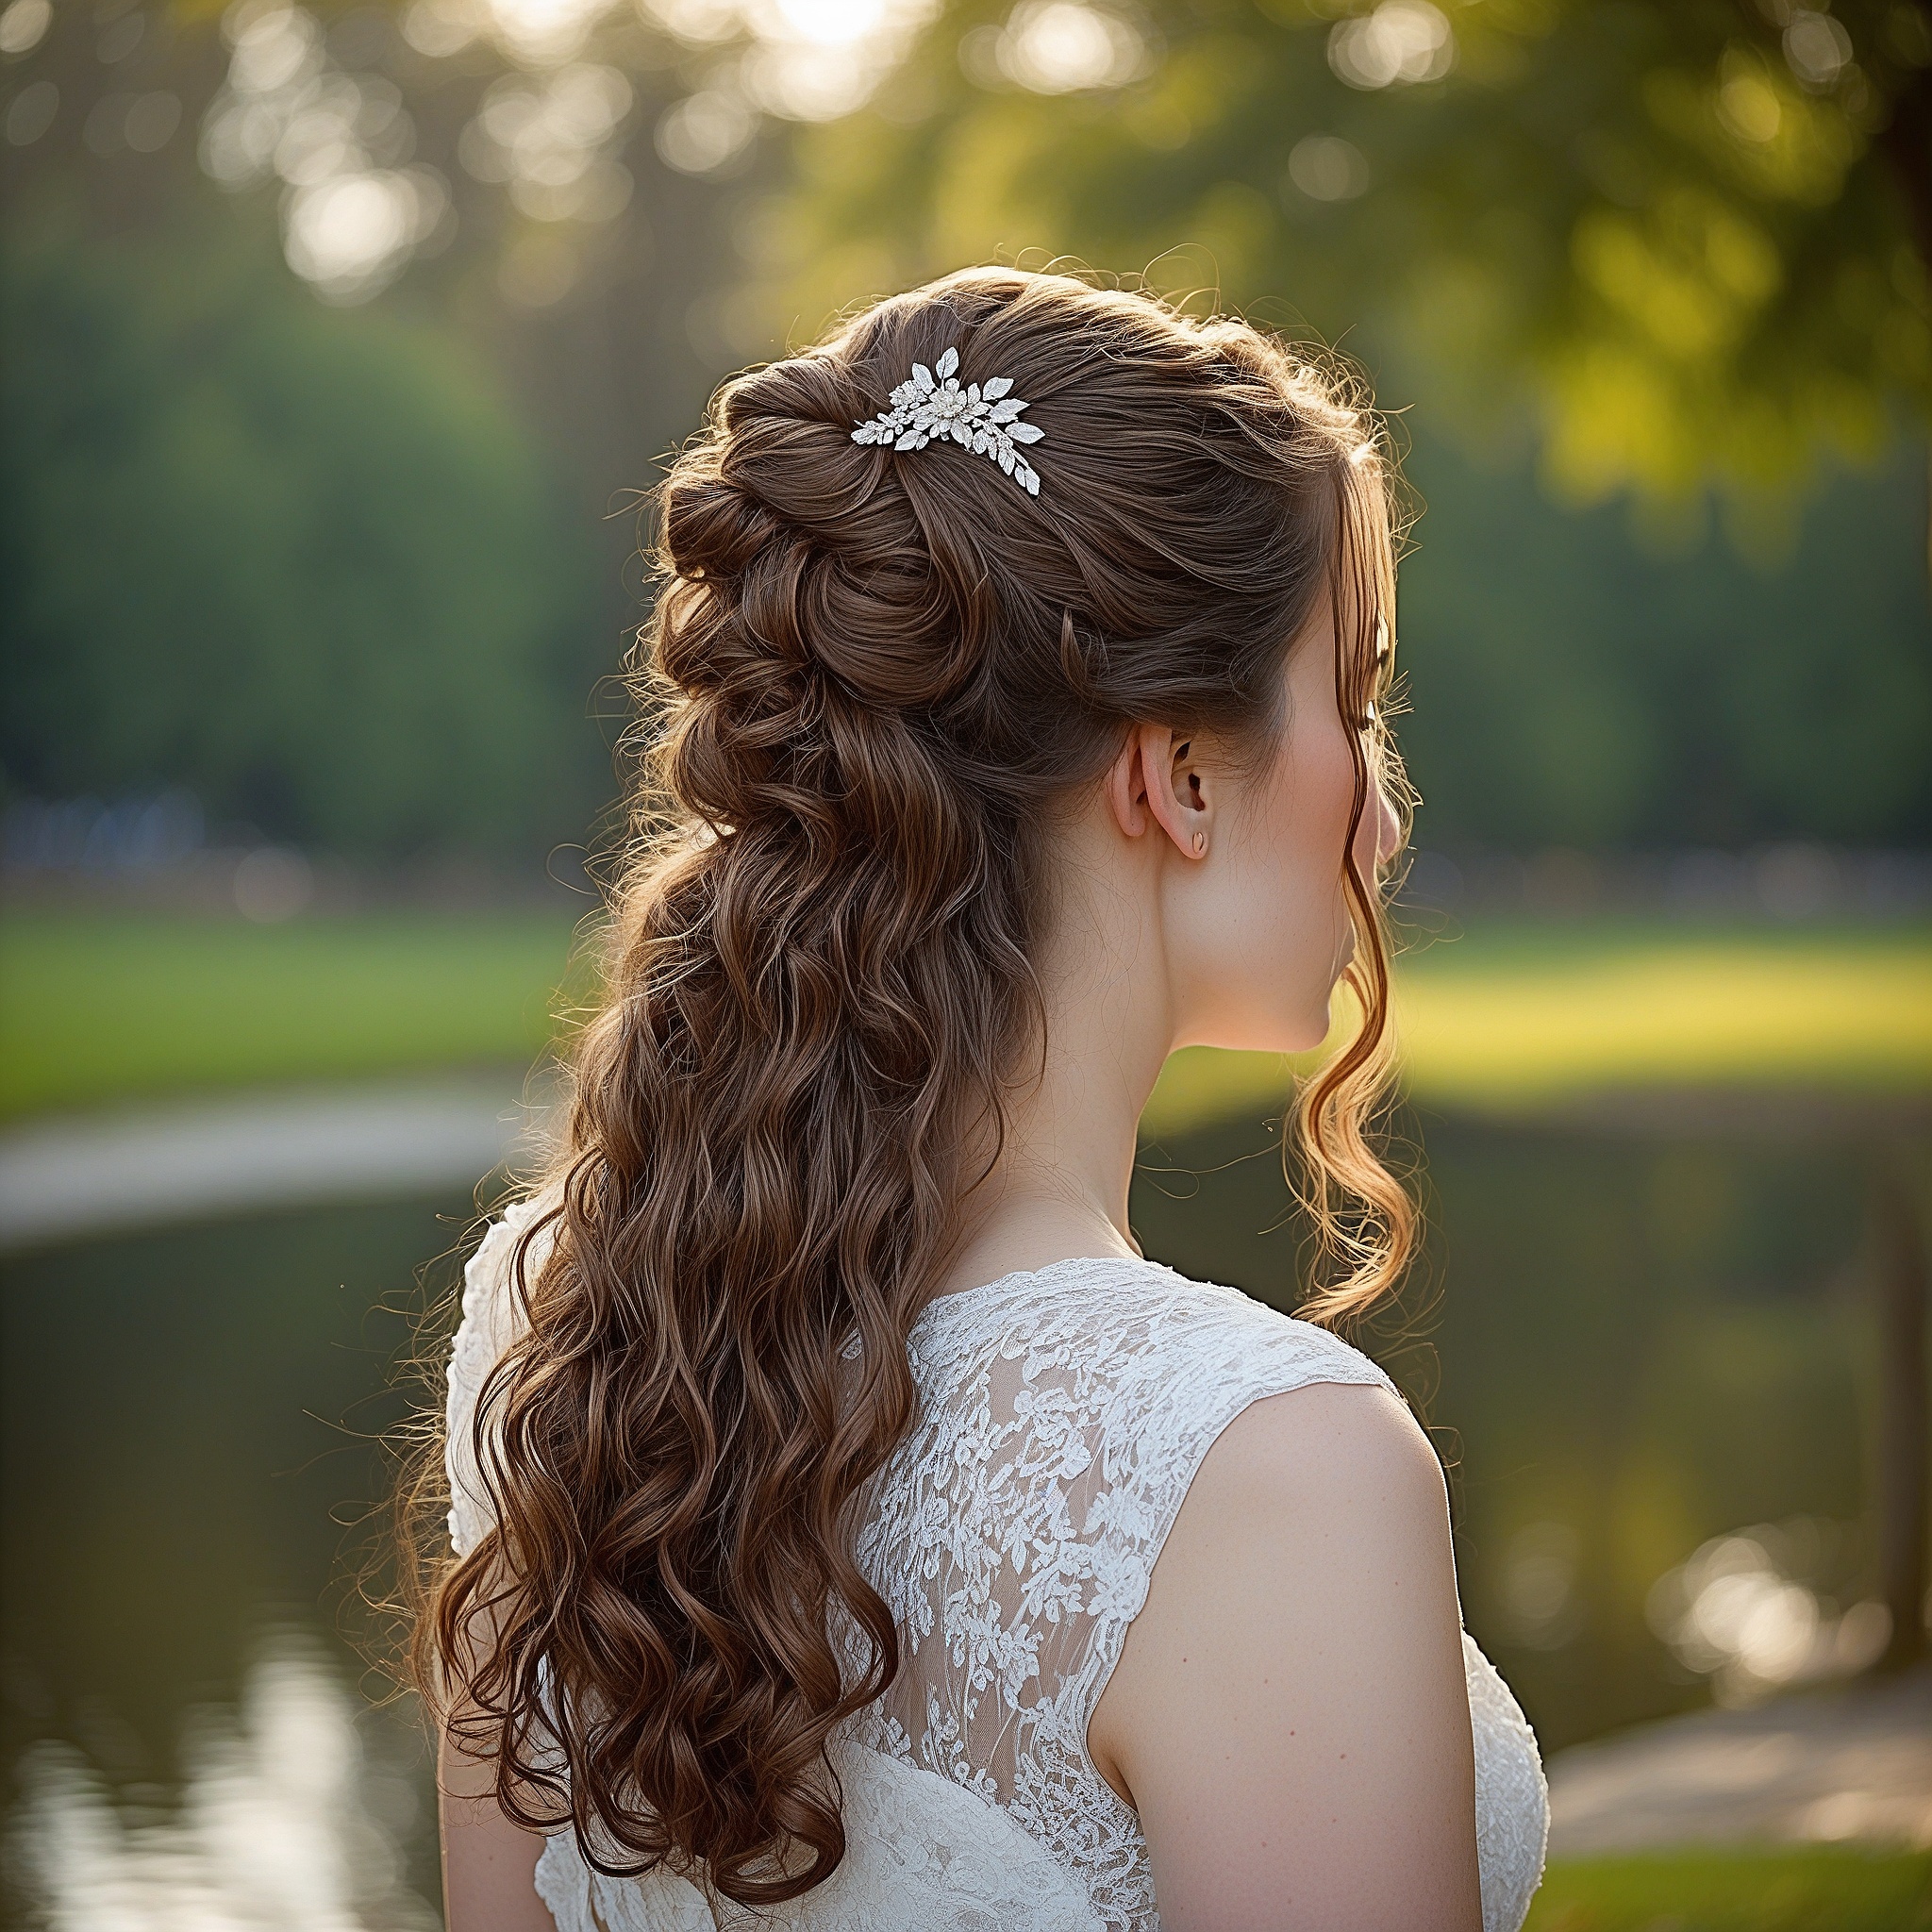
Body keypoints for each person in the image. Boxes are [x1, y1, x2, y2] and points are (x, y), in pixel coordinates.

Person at [423, 266, 1549, 1931]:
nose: (1382, 814)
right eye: (1353, 704)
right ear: (1172, 772)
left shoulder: (563, 1334)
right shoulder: (1266, 1473)